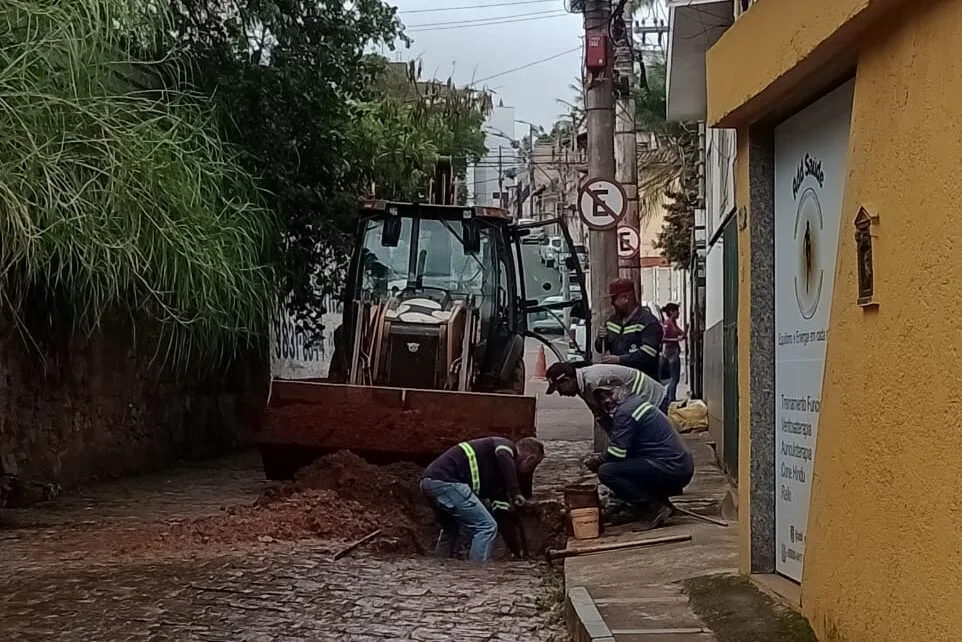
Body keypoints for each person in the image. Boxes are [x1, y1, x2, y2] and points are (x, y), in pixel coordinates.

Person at [420, 436, 545, 562]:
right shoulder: (505, 446)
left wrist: (516, 552)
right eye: (533, 466)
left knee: (450, 530)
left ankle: (440, 566)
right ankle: (477, 572)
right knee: (486, 527)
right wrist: (515, 492)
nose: (530, 471)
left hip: (428, 482)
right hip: (446, 481)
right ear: (530, 459)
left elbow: (502, 517)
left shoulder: (497, 479)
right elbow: (503, 455)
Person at [583, 388, 694, 529]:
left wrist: (598, 460)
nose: (607, 401)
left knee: (607, 471)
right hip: (677, 464)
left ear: (620, 391)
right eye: (602, 398)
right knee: (624, 466)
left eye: (609, 394)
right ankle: (646, 505)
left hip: (671, 467)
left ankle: (654, 508)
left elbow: (617, 452)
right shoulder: (634, 403)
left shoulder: (625, 412)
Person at [544, 361, 666, 453]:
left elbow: (621, 415)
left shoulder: (595, 381)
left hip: (654, 400)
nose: (560, 394)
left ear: (566, 380)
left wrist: (617, 450)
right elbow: (601, 417)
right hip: (640, 405)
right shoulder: (582, 386)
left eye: (559, 388)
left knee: (656, 451)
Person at [595, 278, 663, 381]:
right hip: (620, 384)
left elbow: (648, 355)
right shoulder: (613, 321)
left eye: (614, 299)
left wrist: (619, 360)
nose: (612, 303)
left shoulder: (648, 322)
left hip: (643, 385)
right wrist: (601, 338)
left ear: (625, 298)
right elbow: (600, 348)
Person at [661, 302, 686, 406]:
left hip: (675, 352)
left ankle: (670, 398)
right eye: (677, 312)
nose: (679, 314)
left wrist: (684, 333)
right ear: (672, 312)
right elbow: (662, 339)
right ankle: (670, 399)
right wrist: (676, 339)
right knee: (674, 378)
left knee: (675, 378)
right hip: (671, 353)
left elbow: (682, 333)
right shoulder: (668, 323)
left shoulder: (674, 323)